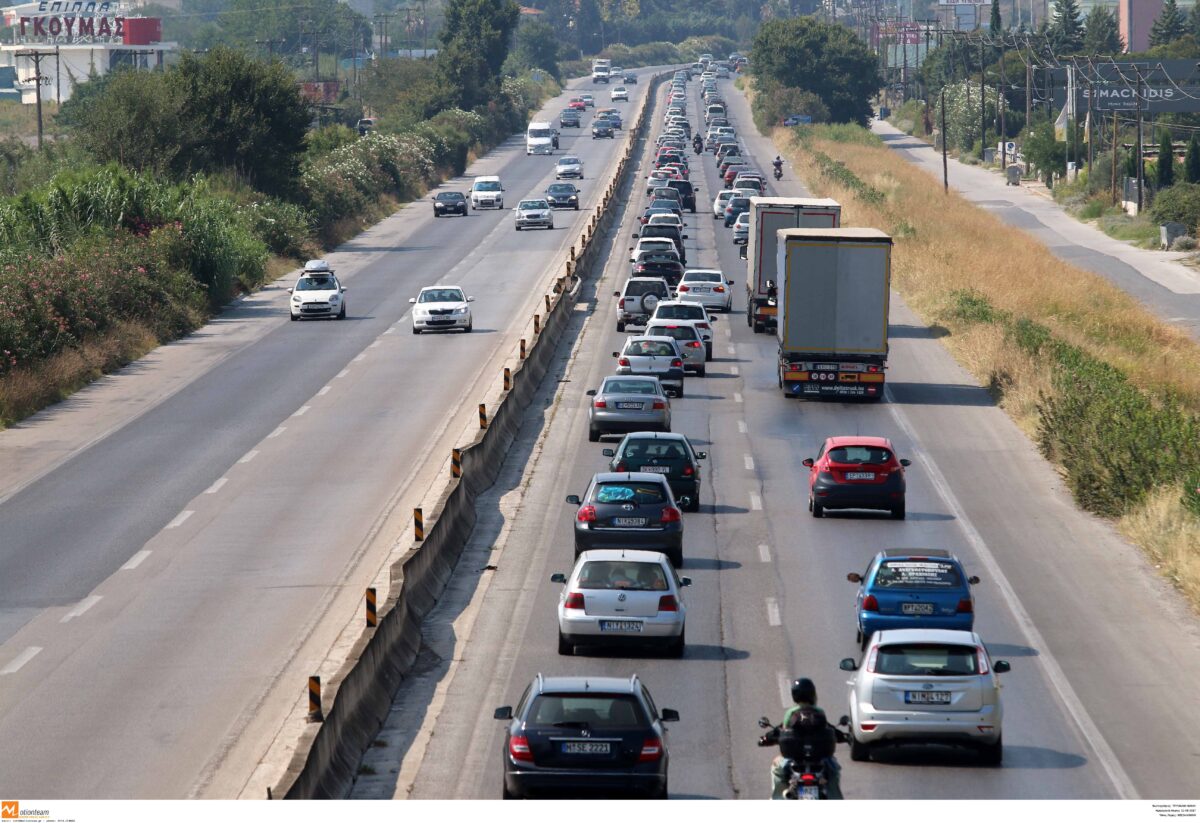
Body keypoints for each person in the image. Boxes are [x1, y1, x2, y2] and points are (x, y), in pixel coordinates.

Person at [762, 678, 845, 800]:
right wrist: (844, 737)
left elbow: (781, 730)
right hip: (820, 760)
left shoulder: (790, 713)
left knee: (776, 768)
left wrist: (766, 738)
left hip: (794, 761)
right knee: (834, 771)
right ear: (812, 693)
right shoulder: (819, 712)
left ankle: (778, 798)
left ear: (794, 695)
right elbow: (830, 729)